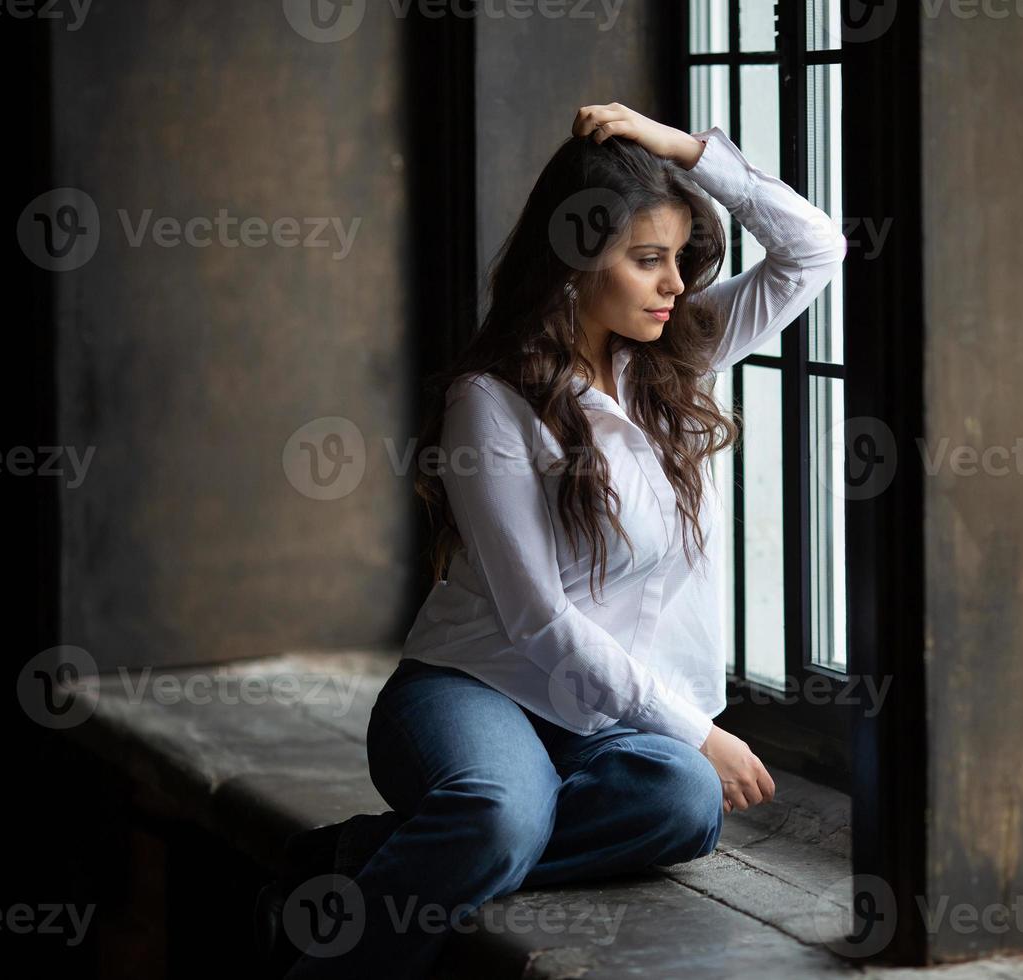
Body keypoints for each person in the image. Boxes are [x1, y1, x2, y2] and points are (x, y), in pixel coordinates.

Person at [281, 102, 847, 978]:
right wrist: (699, 730)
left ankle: (377, 856)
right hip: (476, 687)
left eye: (680, 260)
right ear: (577, 260)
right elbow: (539, 621)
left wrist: (681, 150)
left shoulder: (673, 360)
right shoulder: (491, 401)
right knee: (501, 812)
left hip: (596, 718)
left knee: (682, 803)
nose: (675, 287)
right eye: (647, 260)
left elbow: (815, 248)